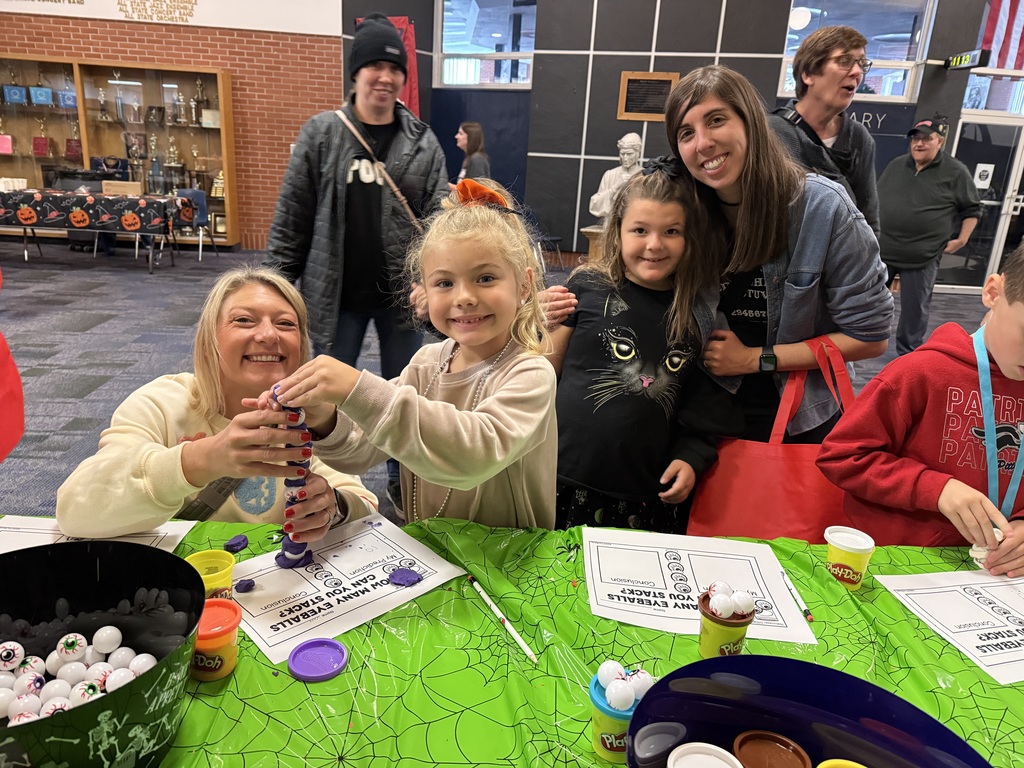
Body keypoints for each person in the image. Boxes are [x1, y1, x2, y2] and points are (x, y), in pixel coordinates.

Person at [258, 179, 557, 529]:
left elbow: (474, 455)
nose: (464, 297)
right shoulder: (426, 364)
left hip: (510, 565)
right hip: (436, 558)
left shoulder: (530, 373)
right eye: (445, 283)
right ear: (425, 291)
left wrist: (357, 388)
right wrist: (323, 415)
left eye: (486, 278)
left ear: (524, 284)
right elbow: (361, 448)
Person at [265, 13, 448, 513]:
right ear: (356, 73)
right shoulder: (322, 134)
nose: (384, 77)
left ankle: (401, 488)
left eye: (395, 68)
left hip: (400, 303)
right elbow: (292, 219)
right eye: (374, 66)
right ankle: (327, 487)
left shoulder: (422, 143)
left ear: (404, 79)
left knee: (405, 401)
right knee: (320, 398)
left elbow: (438, 226)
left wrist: (434, 285)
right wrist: (271, 293)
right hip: (333, 299)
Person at [56, 266, 377, 539]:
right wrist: (196, 461)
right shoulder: (161, 405)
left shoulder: (312, 417)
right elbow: (76, 509)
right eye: (244, 321)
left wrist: (334, 506)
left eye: (285, 324)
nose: (268, 335)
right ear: (210, 338)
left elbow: (364, 504)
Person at [665, 64, 893, 442]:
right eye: (686, 133)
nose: (702, 143)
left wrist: (757, 359)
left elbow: (870, 337)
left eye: (716, 120)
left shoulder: (823, 209)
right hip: (702, 413)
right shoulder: (682, 209)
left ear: (751, 122)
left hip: (798, 418)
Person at [549, 160, 742, 533]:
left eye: (671, 231)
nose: (654, 244)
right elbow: (541, 371)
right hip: (555, 478)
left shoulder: (697, 315)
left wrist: (691, 457)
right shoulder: (586, 286)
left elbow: (705, 406)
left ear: (690, 238)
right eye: (640, 230)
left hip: (641, 497)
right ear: (617, 232)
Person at [817, 245, 1024, 578]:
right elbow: (841, 457)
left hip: (994, 575)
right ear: (993, 293)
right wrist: (936, 489)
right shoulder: (921, 373)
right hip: (899, 565)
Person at [878, 115, 981, 355]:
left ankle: (908, 353)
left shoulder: (955, 172)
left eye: (927, 139)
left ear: (940, 141)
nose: (919, 144)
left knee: (915, 309)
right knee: (869, 302)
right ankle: (862, 342)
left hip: (923, 254)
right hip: (884, 250)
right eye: (915, 138)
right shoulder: (896, 165)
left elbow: (972, 209)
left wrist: (963, 238)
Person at [768, 26, 880, 237]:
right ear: (809, 74)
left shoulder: (859, 139)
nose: (857, 72)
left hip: (838, 265)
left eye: (862, 63)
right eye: (844, 61)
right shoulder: (770, 132)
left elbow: (868, 221)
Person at [589, 133, 643, 219]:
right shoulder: (610, 174)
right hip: (611, 224)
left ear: (637, 154)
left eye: (629, 154)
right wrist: (616, 187)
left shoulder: (645, 176)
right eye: (622, 154)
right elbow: (595, 206)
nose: (625, 158)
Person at [448, 121, 490, 190]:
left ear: (471, 137)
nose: (456, 136)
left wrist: (448, 186)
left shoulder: (477, 159)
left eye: (460, 134)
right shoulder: (469, 159)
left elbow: (476, 191)